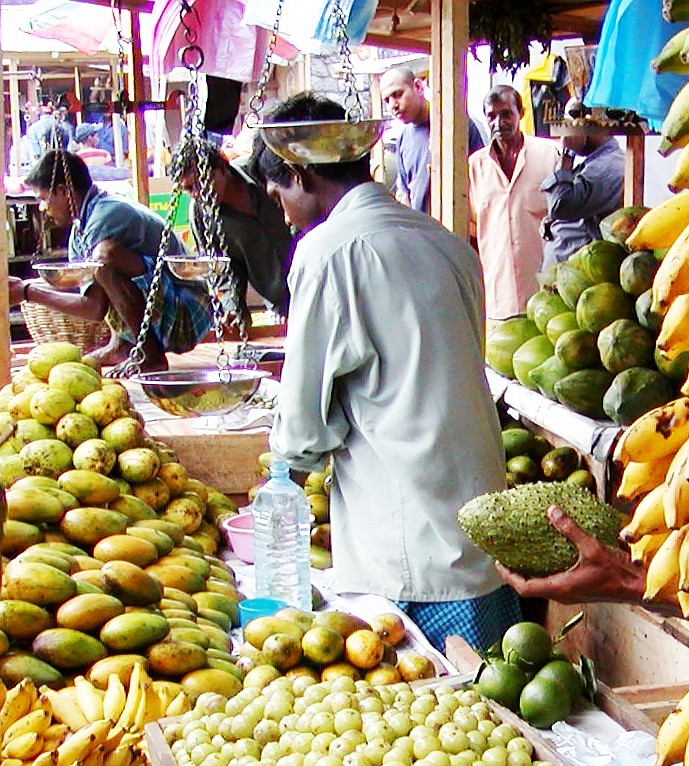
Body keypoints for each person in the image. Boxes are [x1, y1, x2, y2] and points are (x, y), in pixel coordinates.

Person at [254, 93, 520, 652]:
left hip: (405, 559)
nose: (282, 211)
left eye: (279, 193)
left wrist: (280, 486)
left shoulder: (328, 251)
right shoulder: (444, 242)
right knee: (484, 716)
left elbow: (304, 426)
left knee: (422, 722)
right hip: (478, 536)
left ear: (299, 174)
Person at [0, 150, 212, 371]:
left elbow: (94, 308)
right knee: (98, 265)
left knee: (103, 259)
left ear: (63, 191)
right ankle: (123, 345)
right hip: (168, 308)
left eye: (42, 198)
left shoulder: (106, 216)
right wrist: (21, 287)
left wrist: (27, 292)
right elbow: (83, 289)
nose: (42, 208)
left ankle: (151, 355)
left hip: (189, 312)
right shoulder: (81, 228)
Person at [468, 85, 562, 322]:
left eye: (506, 114)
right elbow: (472, 229)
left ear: (521, 112)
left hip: (546, 290)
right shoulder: (474, 167)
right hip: (497, 298)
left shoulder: (550, 155)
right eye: (491, 115)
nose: (499, 122)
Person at [171, 137, 293, 318]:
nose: (198, 193)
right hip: (282, 305)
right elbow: (223, 272)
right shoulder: (201, 217)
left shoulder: (260, 171)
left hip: (320, 284)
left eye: (203, 182)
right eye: (189, 189)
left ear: (222, 166)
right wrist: (234, 308)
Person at [379, 65, 485, 215]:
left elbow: (482, 180)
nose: (393, 105)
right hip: (422, 232)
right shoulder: (402, 139)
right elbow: (406, 194)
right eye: (387, 100)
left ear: (418, 86)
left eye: (397, 94)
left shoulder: (456, 125)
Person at [541, 98, 626, 268]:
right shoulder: (594, 162)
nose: (568, 128)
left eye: (573, 118)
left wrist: (566, 153)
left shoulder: (606, 168)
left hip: (582, 279)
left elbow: (560, 205)